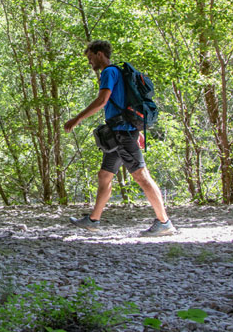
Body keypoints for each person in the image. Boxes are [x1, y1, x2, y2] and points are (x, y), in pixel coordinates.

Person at [64, 40, 175, 236]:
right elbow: (125, 103)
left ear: (100, 54)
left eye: (90, 58)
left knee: (142, 176)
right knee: (105, 175)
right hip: (119, 132)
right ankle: (93, 220)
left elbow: (102, 100)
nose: (90, 63)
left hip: (123, 135)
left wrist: (77, 118)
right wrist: (137, 130)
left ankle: (164, 221)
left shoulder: (108, 72)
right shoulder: (118, 72)